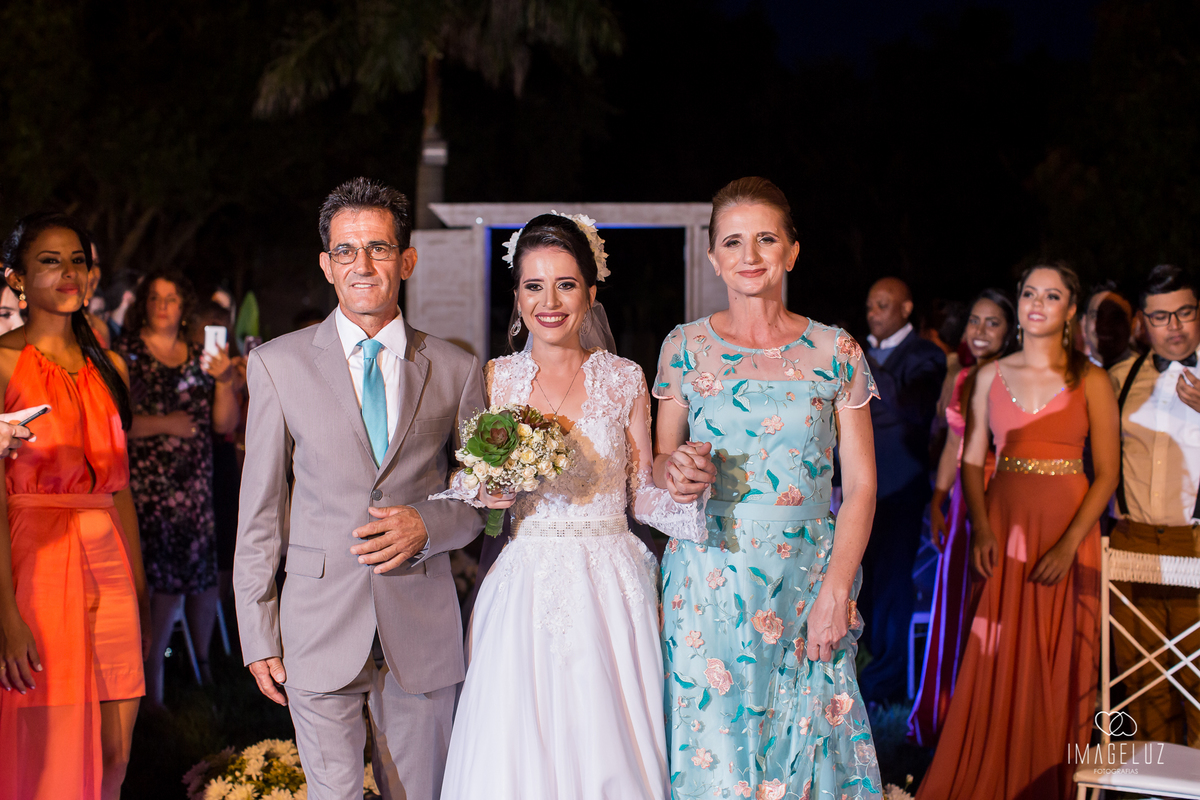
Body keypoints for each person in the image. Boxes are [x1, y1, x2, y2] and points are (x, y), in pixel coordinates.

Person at [234, 177, 486, 800]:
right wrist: (257, 632)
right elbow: (260, 513)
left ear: (407, 260)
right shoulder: (276, 364)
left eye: (378, 248)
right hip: (317, 625)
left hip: (420, 626)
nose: (362, 264)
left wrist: (428, 524)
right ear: (326, 264)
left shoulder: (456, 368)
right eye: (346, 251)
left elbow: (480, 500)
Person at [438, 213, 701, 800]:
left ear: (591, 291)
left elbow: (643, 493)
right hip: (524, 578)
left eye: (566, 284)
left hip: (612, 580)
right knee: (517, 742)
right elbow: (466, 476)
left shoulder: (625, 378)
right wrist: (486, 491)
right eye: (534, 286)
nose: (549, 301)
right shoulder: (495, 378)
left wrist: (690, 496)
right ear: (516, 295)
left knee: (609, 737)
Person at [655, 178, 882, 799]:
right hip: (708, 573)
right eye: (733, 241)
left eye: (766, 238)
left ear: (791, 251)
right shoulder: (683, 348)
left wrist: (837, 590)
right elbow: (657, 464)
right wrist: (674, 474)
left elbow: (860, 485)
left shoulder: (836, 351)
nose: (750, 254)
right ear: (713, 257)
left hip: (810, 573)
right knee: (716, 743)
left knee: (809, 739)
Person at [916, 262, 1119, 800]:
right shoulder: (987, 376)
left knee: (1061, 656)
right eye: (1030, 292)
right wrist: (981, 530)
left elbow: (1108, 475)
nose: (1037, 303)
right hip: (1003, 525)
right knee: (994, 649)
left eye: (1052, 296)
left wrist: (1073, 542)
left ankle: (1049, 779)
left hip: (1068, 526)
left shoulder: (1092, 378)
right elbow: (971, 458)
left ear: (1071, 310)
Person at [0, 212, 148, 800]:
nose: (69, 272)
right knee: (50, 745)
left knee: (115, 753)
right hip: (35, 559)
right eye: (49, 261)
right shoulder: (5, 362)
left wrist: (135, 584)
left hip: (108, 559)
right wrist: (6, 612)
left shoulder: (111, 368)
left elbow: (123, 489)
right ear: (15, 279)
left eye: (78, 260)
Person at [116, 270, 238, 704]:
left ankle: (201, 667)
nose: (164, 306)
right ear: (143, 305)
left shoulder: (198, 355)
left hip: (195, 484)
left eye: (171, 297)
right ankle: (154, 687)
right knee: (163, 587)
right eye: (155, 298)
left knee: (202, 579)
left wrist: (225, 379)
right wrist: (164, 424)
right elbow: (114, 423)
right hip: (150, 488)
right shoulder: (126, 354)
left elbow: (224, 423)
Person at [907, 289, 1016, 746]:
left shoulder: (1016, 377)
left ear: (1011, 332)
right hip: (961, 504)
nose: (981, 331)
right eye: (975, 321)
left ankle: (992, 712)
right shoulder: (962, 375)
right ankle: (950, 711)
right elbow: (955, 441)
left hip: (1002, 495)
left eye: (993, 323)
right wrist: (938, 496)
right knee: (954, 601)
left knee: (990, 602)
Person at [1108, 263, 1200, 745]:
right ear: (1143, 322)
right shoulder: (1120, 379)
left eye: (1185, 312)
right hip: (1134, 537)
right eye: (1161, 317)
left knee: (1198, 676)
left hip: (1196, 541)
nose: (1176, 327)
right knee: (1141, 670)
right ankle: (1156, 785)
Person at [858, 276, 947, 704]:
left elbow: (914, 410)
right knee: (865, 582)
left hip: (900, 486)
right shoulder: (863, 352)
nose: (873, 313)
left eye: (882, 305)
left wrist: (865, 362)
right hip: (859, 490)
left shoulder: (926, 355)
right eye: (871, 305)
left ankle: (885, 684)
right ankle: (873, 664)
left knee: (893, 585)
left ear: (906, 309)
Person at [1083, 280, 1135, 368]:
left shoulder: (1148, 377)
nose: (1104, 326)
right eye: (1096, 315)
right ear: (1084, 322)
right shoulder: (1070, 372)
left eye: (1116, 317)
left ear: (1133, 324)